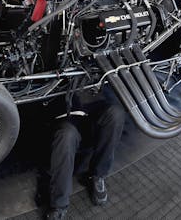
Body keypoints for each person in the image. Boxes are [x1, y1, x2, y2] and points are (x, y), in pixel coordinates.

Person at [45, 87, 126, 220]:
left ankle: (97, 176)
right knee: (66, 135)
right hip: (66, 112)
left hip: (91, 105)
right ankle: (59, 204)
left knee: (116, 114)